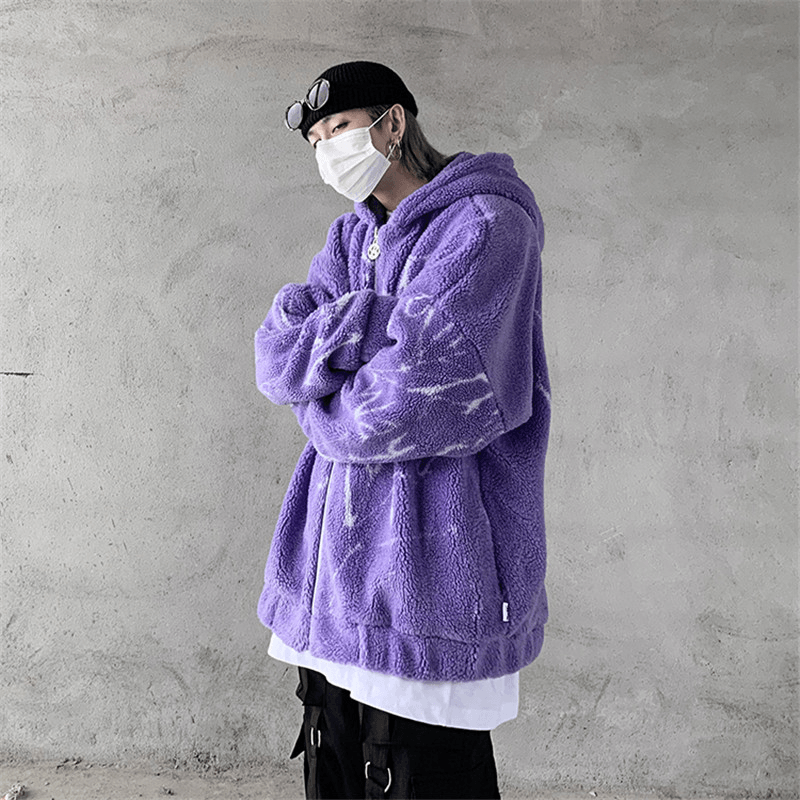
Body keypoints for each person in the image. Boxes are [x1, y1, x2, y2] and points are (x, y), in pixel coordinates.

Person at [254, 61, 550, 799]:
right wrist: (372, 322)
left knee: (421, 773)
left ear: (392, 124)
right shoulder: (352, 237)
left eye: (340, 128)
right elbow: (276, 356)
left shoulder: (487, 227)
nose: (328, 150)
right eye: (316, 140)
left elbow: (411, 401)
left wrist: (324, 393)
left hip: (428, 580)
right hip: (330, 585)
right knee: (332, 764)